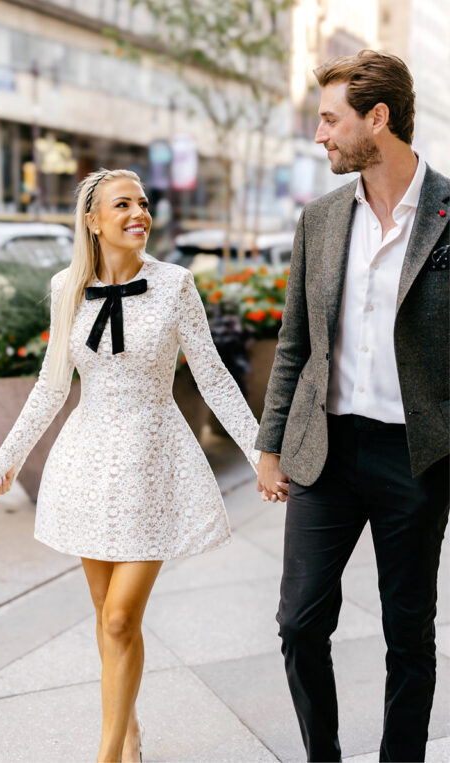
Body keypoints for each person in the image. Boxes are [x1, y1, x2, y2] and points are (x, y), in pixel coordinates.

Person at [0, 169, 264, 763]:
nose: (139, 213)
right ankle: (129, 735)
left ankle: (107, 757)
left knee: (118, 619)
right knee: (108, 618)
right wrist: (7, 460)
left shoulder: (175, 284)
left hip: (153, 463)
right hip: (88, 464)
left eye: (142, 203)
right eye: (123, 204)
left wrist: (260, 451)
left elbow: (212, 375)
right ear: (92, 220)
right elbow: (51, 385)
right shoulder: (66, 287)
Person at [255, 51, 449, 762]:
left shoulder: (449, 214)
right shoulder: (322, 219)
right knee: (299, 622)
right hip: (324, 451)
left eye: (330, 119)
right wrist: (270, 443)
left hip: (416, 456)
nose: (319, 135)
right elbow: (295, 340)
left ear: (378, 118)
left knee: (409, 632)